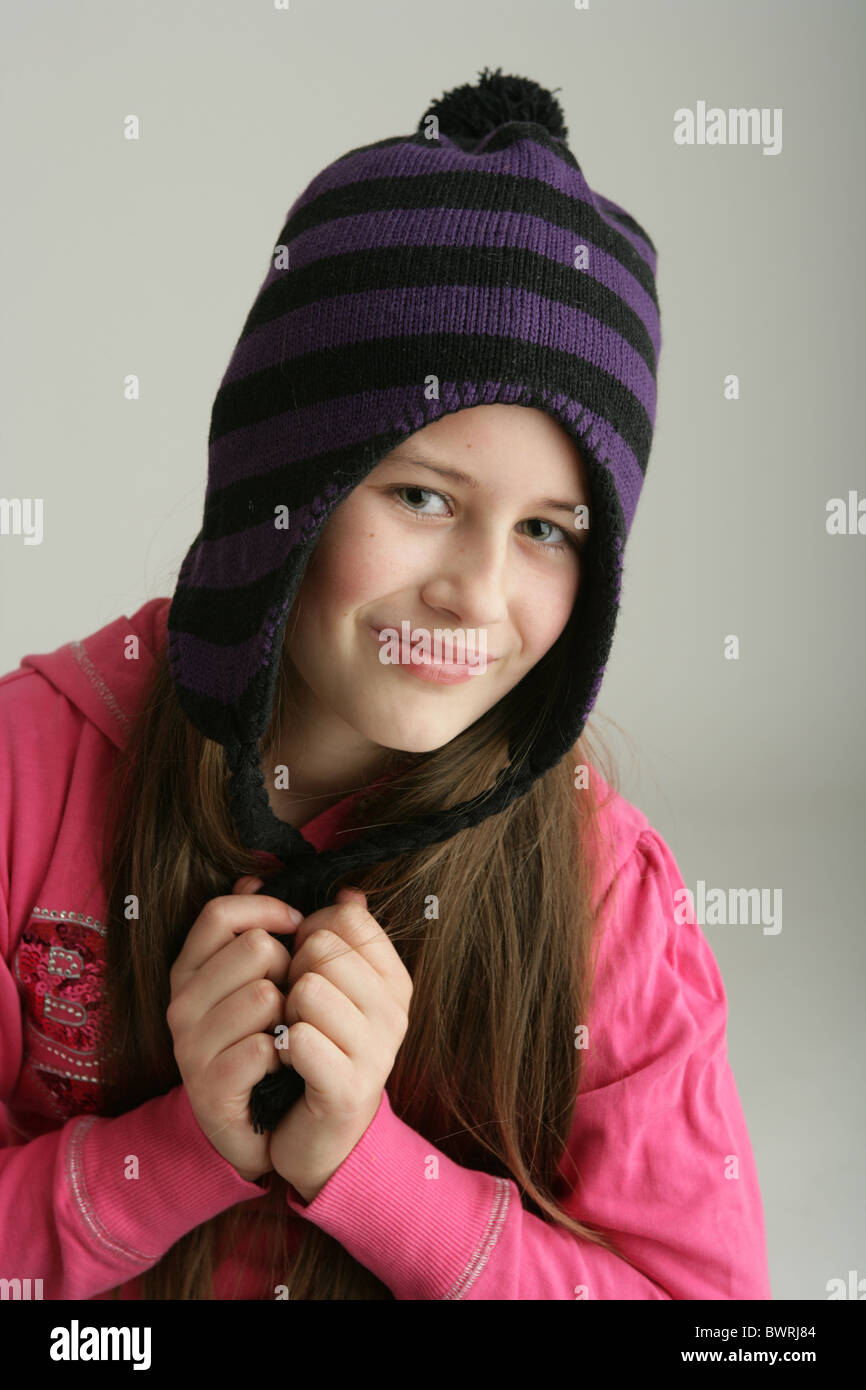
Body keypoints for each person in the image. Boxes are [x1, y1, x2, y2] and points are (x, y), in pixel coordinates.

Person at [0, 67, 771, 1300]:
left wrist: (371, 1171)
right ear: (280, 488)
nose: (475, 588)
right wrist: (172, 1152)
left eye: (548, 531)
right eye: (421, 496)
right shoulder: (26, 776)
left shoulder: (606, 897)